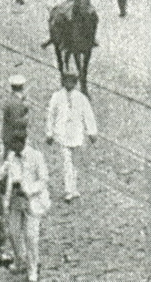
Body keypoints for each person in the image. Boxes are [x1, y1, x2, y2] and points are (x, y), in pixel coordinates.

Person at [0, 132, 49, 282]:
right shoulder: (11, 156)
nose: (9, 147)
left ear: (21, 143)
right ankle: (19, 261)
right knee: (13, 233)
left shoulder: (36, 156)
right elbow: (0, 173)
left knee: (31, 237)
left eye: (12, 144)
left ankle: (32, 270)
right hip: (15, 202)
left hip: (32, 202)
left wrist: (28, 189)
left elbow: (43, 180)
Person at [45, 72, 97, 203]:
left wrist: (92, 131)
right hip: (62, 135)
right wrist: (49, 133)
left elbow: (88, 115)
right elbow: (51, 115)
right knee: (67, 162)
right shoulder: (57, 96)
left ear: (75, 83)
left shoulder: (81, 98)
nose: (70, 84)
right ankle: (68, 191)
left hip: (76, 135)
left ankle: (73, 189)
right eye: (67, 81)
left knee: (75, 164)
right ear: (63, 82)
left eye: (72, 82)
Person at [2, 74, 30, 156]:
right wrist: (26, 118)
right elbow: (17, 121)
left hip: (9, 137)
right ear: (21, 87)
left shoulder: (11, 100)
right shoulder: (16, 103)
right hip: (15, 139)